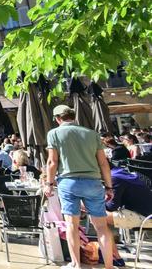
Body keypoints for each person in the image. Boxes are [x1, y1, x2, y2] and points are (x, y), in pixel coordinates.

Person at [45, 104, 115, 269]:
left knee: (72, 225)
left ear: (57, 119)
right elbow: (104, 163)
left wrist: (48, 183)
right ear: (73, 116)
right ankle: (109, 266)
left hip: (69, 183)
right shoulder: (92, 134)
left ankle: (76, 264)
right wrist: (109, 187)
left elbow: (52, 162)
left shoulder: (54, 133)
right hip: (93, 182)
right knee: (102, 227)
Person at [105, 146, 152, 229]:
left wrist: (90, 204)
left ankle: (107, 240)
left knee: (97, 214)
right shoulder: (118, 172)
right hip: (145, 212)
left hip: (147, 218)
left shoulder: (114, 177)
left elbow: (112, 206)